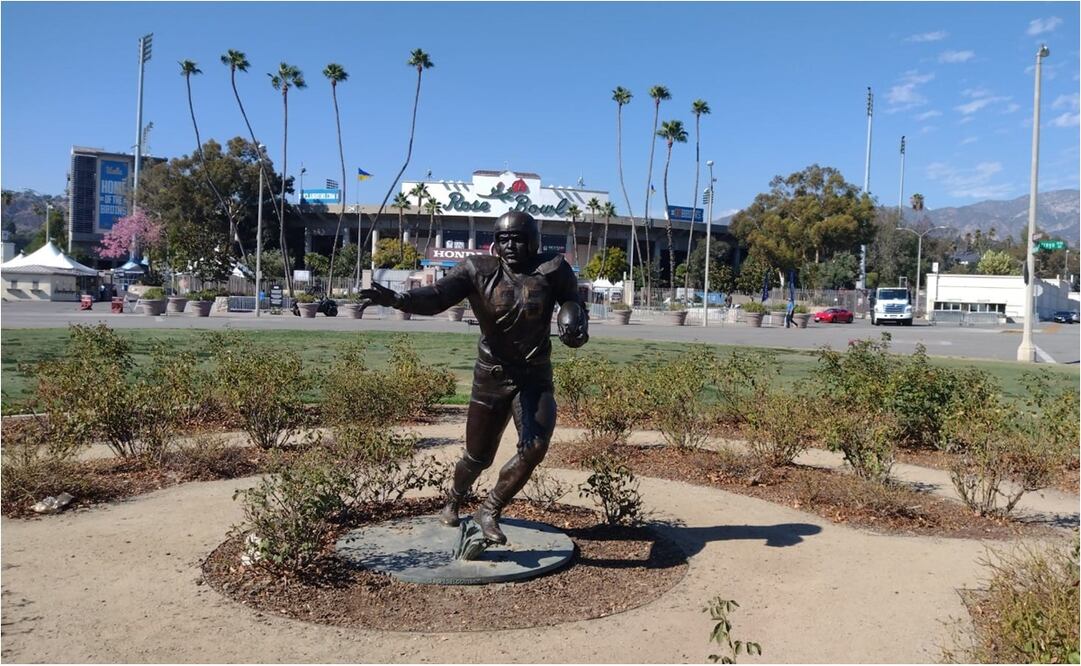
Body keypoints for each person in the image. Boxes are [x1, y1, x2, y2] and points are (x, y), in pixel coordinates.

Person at [360, 211, 588, 544]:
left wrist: (574, 323)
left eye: (518, 238)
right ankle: (455, 496)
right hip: (491, 377)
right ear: (495, 242)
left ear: (535, 240)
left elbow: (572, 301)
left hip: (534, 376)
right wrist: (400, 299)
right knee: (478, 457)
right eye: (503, 238)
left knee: (535, 446)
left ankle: (490, 508)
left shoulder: (553, 270)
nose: (510, 245)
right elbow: (438, 296)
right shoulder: (477, 270)